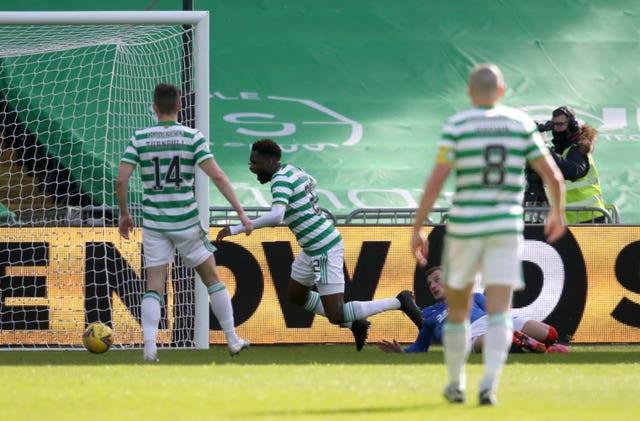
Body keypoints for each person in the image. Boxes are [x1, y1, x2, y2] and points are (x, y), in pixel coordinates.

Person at [411, 63, 566, 406]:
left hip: (467, 226)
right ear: (502, 91)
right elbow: (553, 176)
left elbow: (437, 179)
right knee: (498, 313)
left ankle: (456, 383)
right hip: (504, 228)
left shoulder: (459, 124)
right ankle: (489, 387)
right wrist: (557, 212)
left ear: (469, 91)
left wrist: (419, 225)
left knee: (458, 310)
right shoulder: (520, 124)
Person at [216, 138, 424, 351]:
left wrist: (239, 228)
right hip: (312, 247)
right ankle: (356, 322)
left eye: (254, 163)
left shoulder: (280, 180)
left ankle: (400, 301)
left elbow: (277, 216)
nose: (251, 167)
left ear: (269, 162)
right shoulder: (293, 170)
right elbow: (311, 183)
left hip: (323, 247)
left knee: (336, 314)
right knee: (296, 296)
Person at [116, 83, 253, 362]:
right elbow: (217, 176)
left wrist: (125, 214)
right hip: (186, 222)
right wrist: (240, 213)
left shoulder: (140, 138)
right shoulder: (192, 137)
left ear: (154, 108)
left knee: (154, 284)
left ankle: (150, 347)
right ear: (180, 107)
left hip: (155, 222)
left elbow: (121, 179)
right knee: (212, 278)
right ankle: (231, 339)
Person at [377, 266, 569, 354]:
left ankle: (537, 344)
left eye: (437, 280)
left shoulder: (474, 296)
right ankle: (527, 344)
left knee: (550, 333)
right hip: (470, 335)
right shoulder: (428, 313)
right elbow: (420, 347)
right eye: (430, 284)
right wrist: (400, 352)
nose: (433, 286)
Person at [544, 106, 605, 223]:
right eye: (553, 125)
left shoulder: (578, 148)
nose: (556, 129)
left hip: (589, 217)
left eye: (560, 125)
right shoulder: (560, 150)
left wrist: (543, 148)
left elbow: (573, 171)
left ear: (572, 125)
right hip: (571, 219)